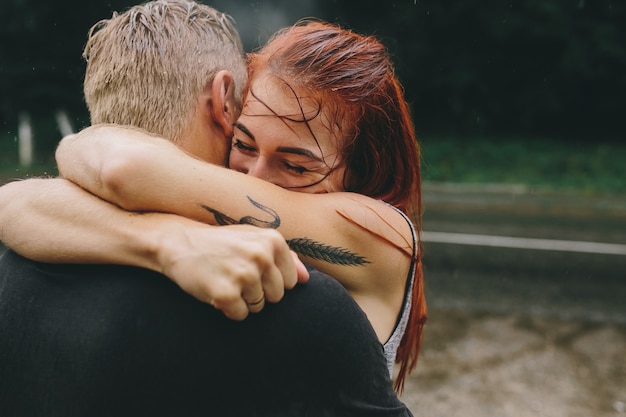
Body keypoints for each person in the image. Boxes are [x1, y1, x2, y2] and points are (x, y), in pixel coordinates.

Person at [0, 1, 412, 416]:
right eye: (244, 143)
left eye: (296, 165)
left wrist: (79, 143)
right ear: (225, 106)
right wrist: (166, 241)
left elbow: (122, 169)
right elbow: (12, 203)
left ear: (362, 173)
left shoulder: (381, 233)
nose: (252, 181)